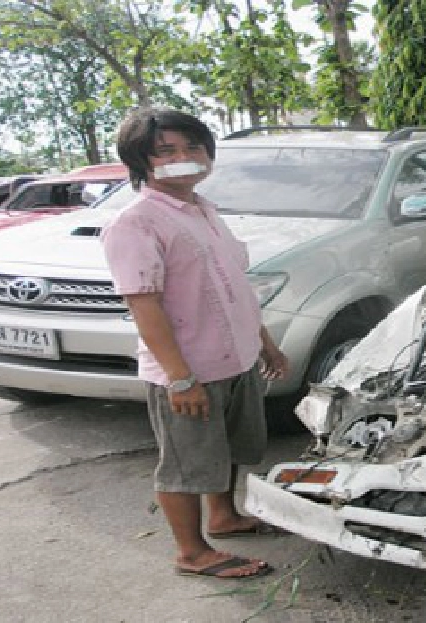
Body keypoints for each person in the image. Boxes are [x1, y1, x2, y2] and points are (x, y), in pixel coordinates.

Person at [101, 107, 289, 579]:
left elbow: (234, 288)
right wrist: (180, 379)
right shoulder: (136, 222)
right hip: (190, 369)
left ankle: (223, 518)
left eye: (192, 147)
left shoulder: (205, 211)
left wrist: (264, 342)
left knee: (226, 449)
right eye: (165, 151)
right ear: (140, 161)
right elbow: (145, 305)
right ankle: (191, 551)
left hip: (237, 357)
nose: (183, 157)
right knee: (186, 464)